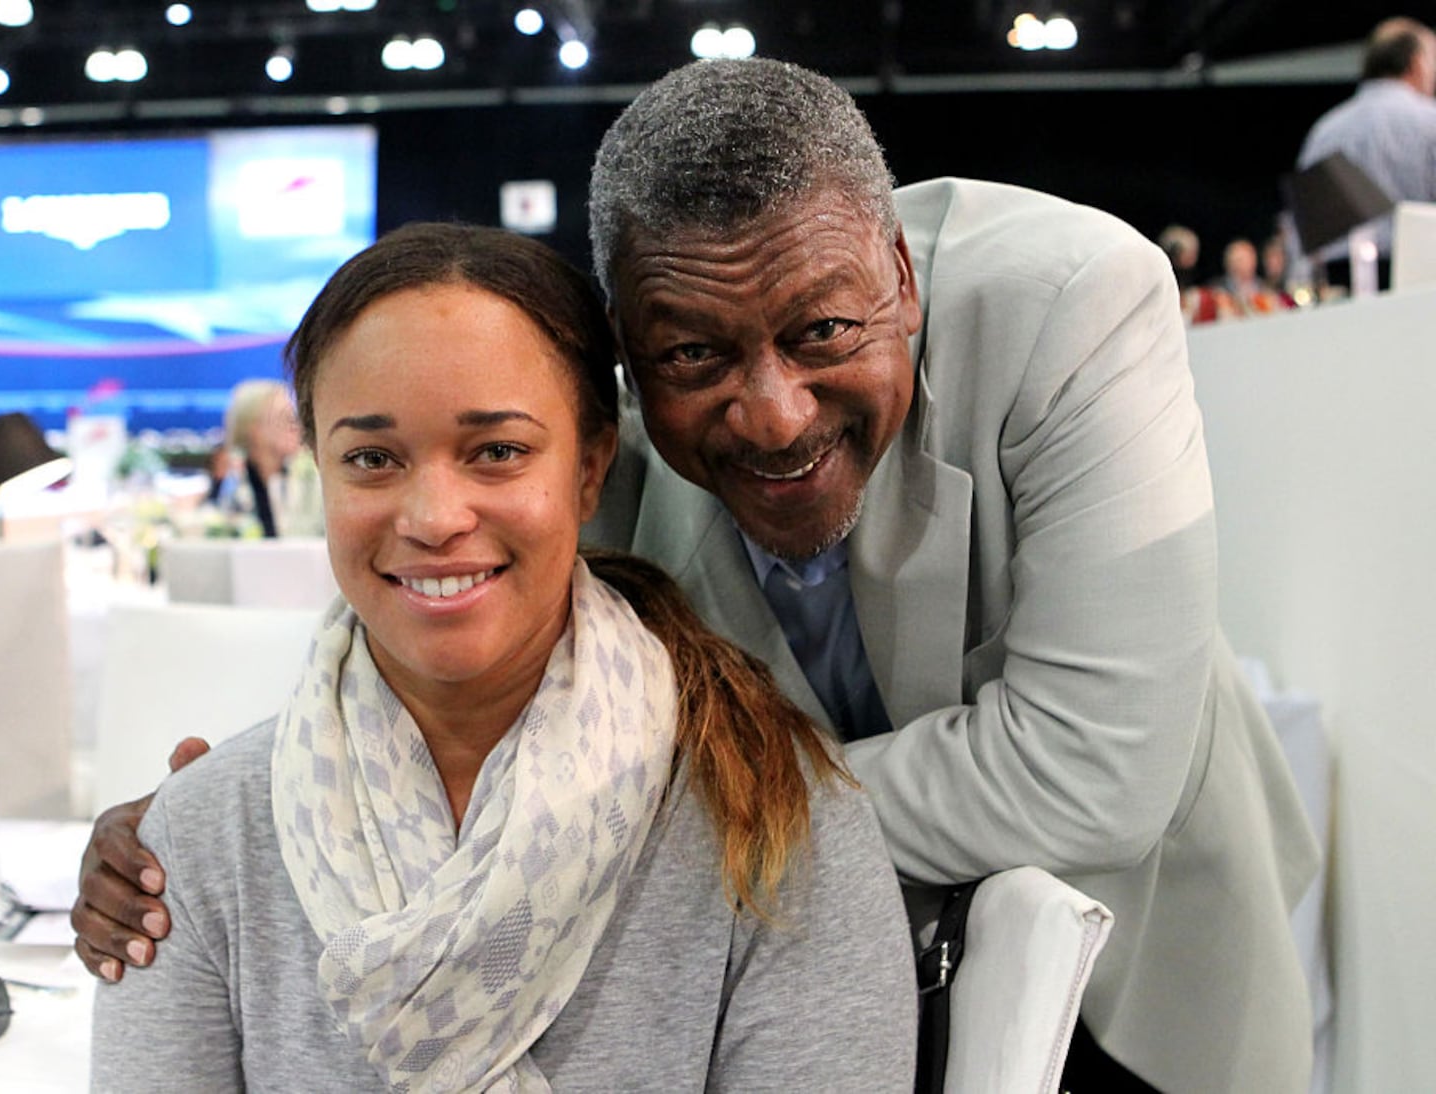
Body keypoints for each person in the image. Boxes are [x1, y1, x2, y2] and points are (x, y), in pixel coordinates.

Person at [77, 59, 1319, 1091]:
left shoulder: (1072, 303)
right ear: (623, 358)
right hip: (771, 964)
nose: (773, 415)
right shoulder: (597, 442)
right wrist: (244, 810)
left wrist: (747, 824)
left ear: (900, 274)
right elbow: (433, 605)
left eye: (825, 330)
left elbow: (1096, 767)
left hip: (1131, 965)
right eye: (694, 352)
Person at [87, 222, 917, 1090]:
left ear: (590, 470)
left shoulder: (778, 818)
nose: (434, 516)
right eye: (372, 458)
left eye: (498, 452)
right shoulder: (199, 839)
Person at [1296, 16, 1436, 287]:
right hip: (1420, 280)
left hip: (1340, 284)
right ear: (1417, 63)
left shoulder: (1323, 132)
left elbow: (1305, 231)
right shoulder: (1429, 121)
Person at [220, 377, 324, 537]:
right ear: (253, 428)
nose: (296, 427)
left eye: (295, 418)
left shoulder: (312, 477)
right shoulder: (229, 479)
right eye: (285, 418)